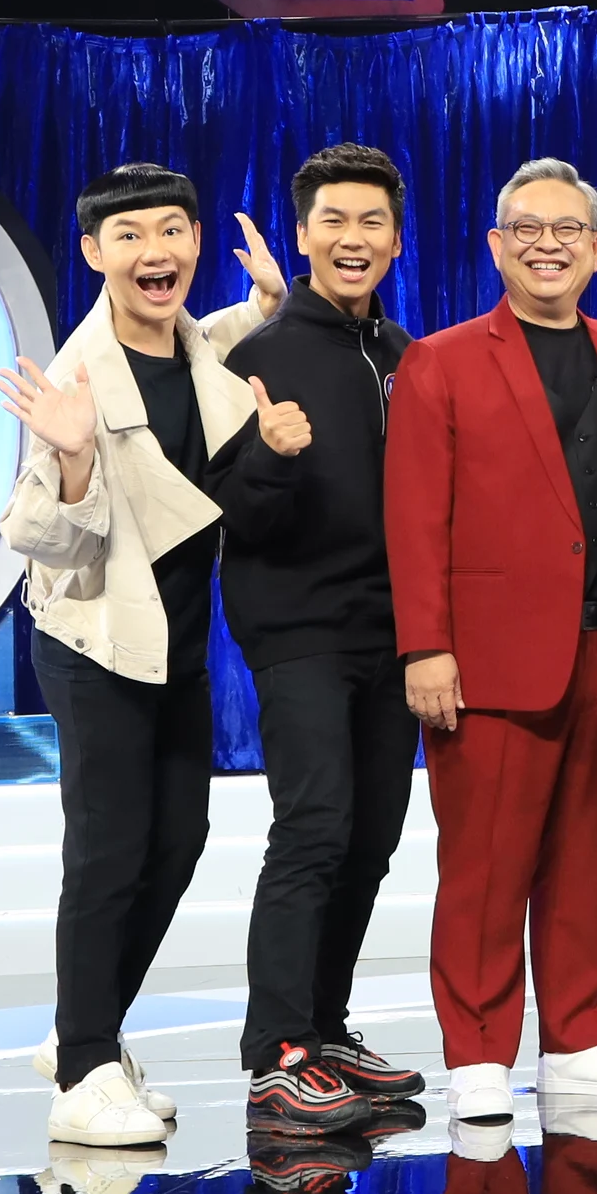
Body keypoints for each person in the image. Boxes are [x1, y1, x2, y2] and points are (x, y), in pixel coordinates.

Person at [384, 157, 597, 1122]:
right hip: (489, 657)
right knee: (484, 866)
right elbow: (413, 517)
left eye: (567, 231)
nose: (547, 245)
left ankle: (578, 1039)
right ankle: (477, 1054)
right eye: (528, 229)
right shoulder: (441, 361)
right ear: (496, 246)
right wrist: (426, 647)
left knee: (590, 857)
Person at [0, 164, 281, 1146]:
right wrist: (75, 459)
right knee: (108, 850)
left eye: (172, 231)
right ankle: (82, 1072)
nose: (155, 252)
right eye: (129, 236)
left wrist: (268, 301)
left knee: (178, 840)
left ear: (195, 241)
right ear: (93, 252)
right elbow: (37, 537)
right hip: (96, 639)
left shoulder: (192, 340)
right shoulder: (78, 375)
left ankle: (87, 1035)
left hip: (175, 640)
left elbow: (217, 347)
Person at [203, 143, 429, 1131]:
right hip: (298, 629)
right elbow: (234, 518)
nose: (353, 237)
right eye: (333, 220)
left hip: (395, 633)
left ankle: (326, 1031)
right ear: (302, 235)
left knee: (372, 837)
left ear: (396, 239)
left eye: (372, 221)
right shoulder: (254, 357)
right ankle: (277, 1053)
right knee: (315, 828)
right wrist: (272, 457)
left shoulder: (408, 355)